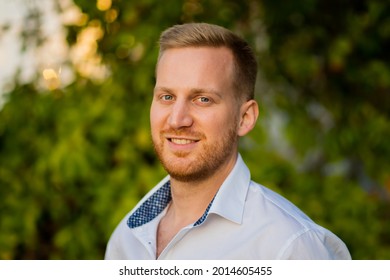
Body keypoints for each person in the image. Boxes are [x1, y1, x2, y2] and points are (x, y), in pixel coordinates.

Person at [105, 22, 351, 260]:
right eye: (167, 96)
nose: (177, 120)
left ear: (245, 118)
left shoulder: (288, 248)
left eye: (202, 99)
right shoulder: (127, 239)